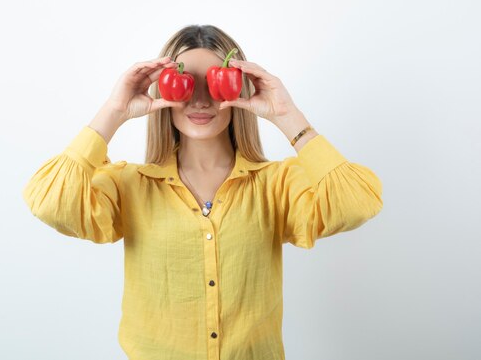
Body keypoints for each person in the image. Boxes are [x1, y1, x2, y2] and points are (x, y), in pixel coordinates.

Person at [22, 24, 383, 360]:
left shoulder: (277, 184)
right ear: (164, 89)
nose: (199, 101)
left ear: (237, 89)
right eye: (184, 83)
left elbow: (358, 202)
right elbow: (49, 201)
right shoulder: (129, 185)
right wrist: (114, 111)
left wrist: (287, 115)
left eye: (214, 84)